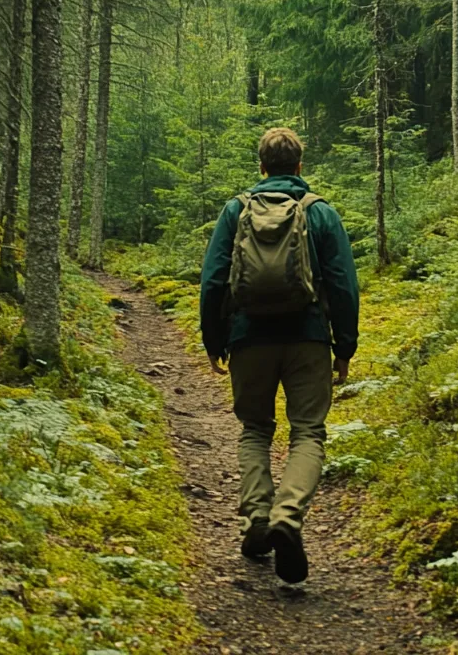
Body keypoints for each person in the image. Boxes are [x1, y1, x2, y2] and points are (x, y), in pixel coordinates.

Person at [199, 127, 360, 584]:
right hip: (309, 337)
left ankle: (256, 520)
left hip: (249, 338)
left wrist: (215, 341)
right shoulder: (320, 212)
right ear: (300, 167)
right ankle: (287, 517)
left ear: (262, 167)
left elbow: (213, 280)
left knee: (255, 430)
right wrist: (344, 346)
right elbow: (344, 283)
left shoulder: (236, 210)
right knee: (308, 431)